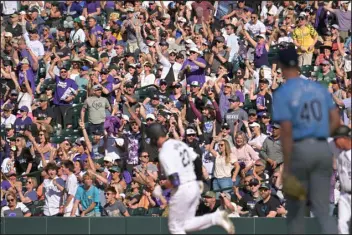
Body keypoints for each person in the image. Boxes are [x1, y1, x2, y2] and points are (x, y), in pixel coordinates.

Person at [272, 45, 340, 234]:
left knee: (295, 211)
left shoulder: (283, 92)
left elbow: (285, 132)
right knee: (322, 211)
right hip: (322, 148)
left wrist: (286, 166)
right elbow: (336, 120)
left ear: (283, 66)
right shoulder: (318, 88)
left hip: (301, 150)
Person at [145, 123, 234, 234]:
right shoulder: (178, 144)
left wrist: (161, 188)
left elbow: (175, 180)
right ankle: (215, 218)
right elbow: (196, 160)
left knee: (176, 225)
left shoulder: (165, 152)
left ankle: (215, 218)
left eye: (152, 139)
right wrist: (198, 179)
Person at [330, 125, 351, 234]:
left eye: (336, 139)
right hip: (344, 194)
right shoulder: (338, 151)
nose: (334, 142)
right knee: (342, 225)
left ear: (344, 138)